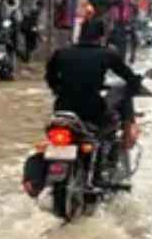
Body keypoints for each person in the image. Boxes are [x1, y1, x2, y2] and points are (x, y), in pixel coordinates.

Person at [46, 18, 143, 146]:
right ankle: (125, 139)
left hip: (62, 108)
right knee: (121, 100)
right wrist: (136, 84)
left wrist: (58, 90)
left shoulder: (61, 53)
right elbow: (128, 77)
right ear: (101, 37)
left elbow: (50, 78)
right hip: (93, 110)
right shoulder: (107, 54)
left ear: (79, 34)